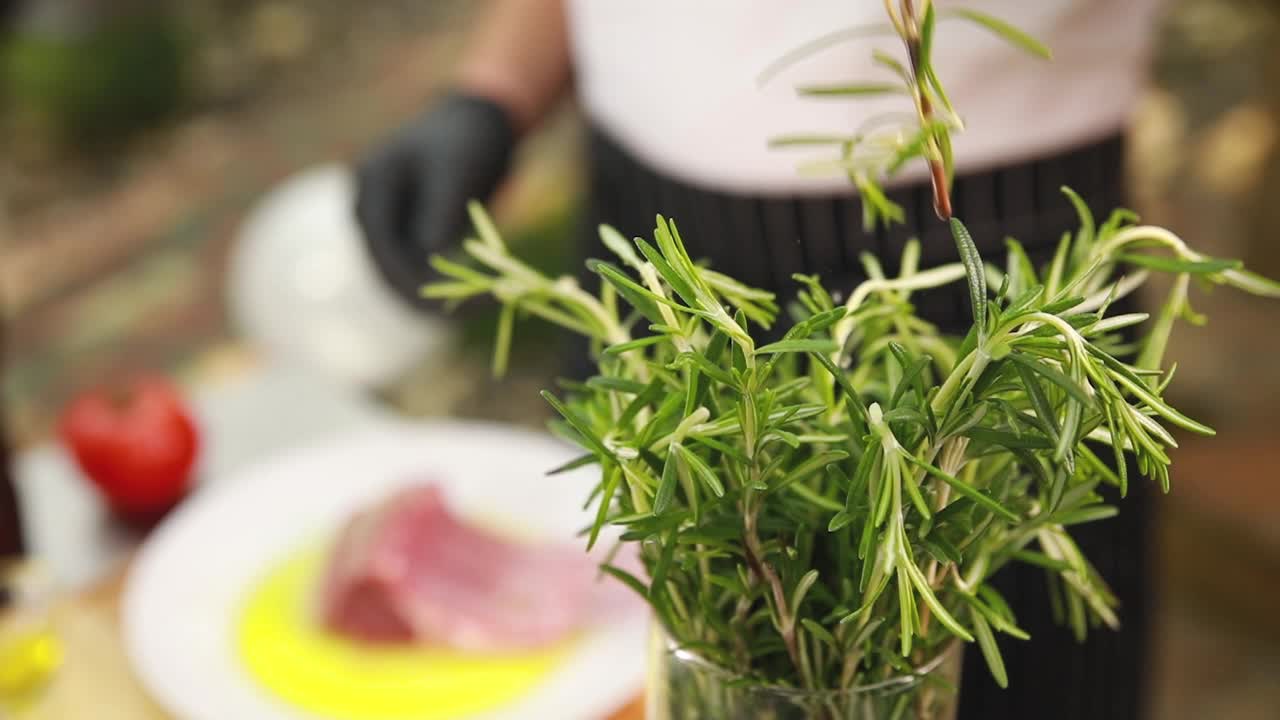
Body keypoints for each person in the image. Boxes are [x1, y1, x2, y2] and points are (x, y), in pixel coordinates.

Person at [354, 2, 1164, 718]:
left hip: (987, 227)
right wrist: (496, 86)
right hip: (650, 244)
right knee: (627, 660)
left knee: (1013, 662)